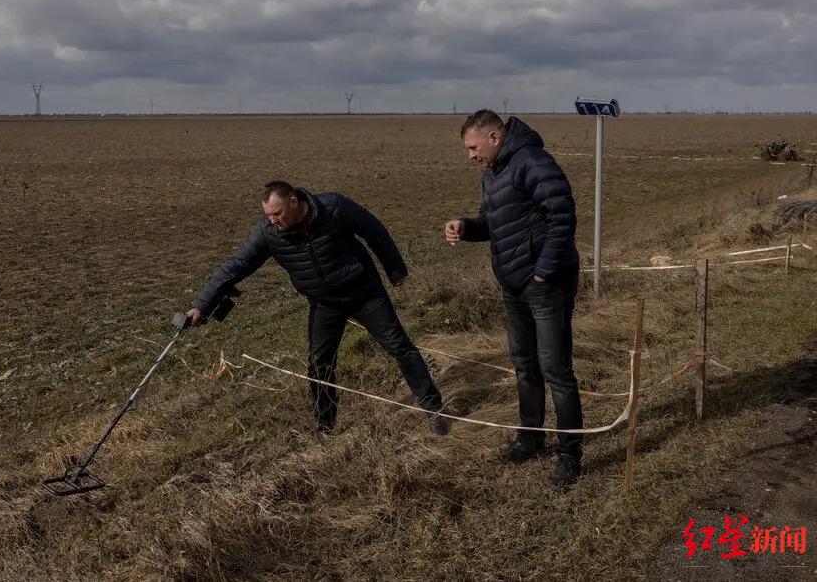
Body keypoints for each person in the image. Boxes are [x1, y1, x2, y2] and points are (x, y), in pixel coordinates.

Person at [190, 180, 447, 436]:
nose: (273, 220)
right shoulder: (268, 231)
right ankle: (324, 427)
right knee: (319, 364)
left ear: (294, 202)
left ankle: (434, 411)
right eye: (268, 215)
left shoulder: (334, 207)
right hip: (324, 303)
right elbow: (237, 265)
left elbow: (374, 231)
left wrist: (395, 270)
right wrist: (202, 305)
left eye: (277, 214)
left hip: (364, 292)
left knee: (400, 347)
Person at [443, 109, 583, 488]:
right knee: (524, 365)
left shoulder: (532, 161)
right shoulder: (494, 173)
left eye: (473, 147)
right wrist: (465, 226)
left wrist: (544, 270)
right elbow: (493, 223)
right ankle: (531, 438)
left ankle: (570, 454)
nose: (470, 155)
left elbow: (563, 215)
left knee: (556, 369)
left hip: (545, 284)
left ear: (494, 137)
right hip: (514, 285)